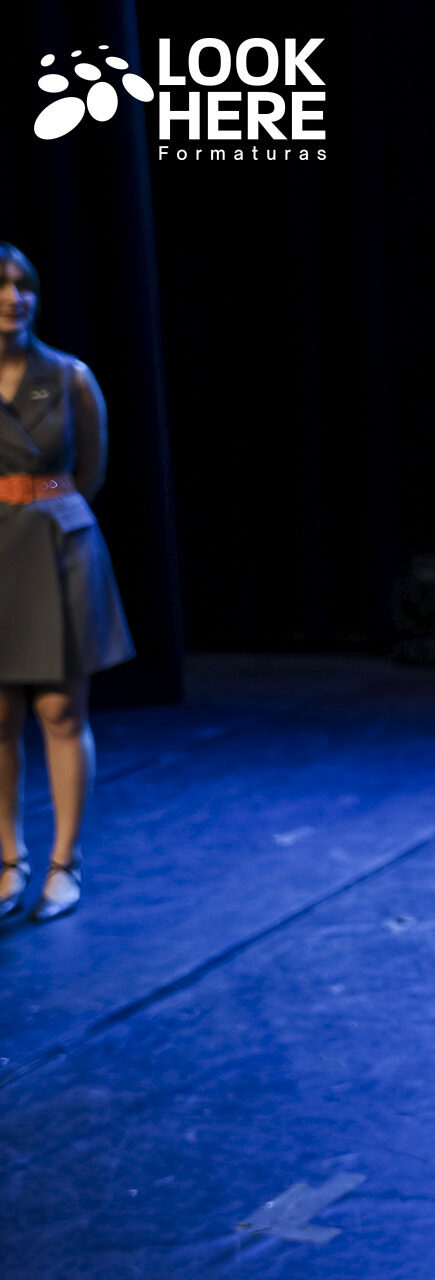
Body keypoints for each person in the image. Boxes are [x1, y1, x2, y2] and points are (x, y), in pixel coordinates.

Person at [0, 242, 134, 924]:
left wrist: (45, 507)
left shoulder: (69, 375)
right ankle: (9, 860)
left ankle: (65, 863)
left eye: (23, 284)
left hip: (57, 546)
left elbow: (93, 470)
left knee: (60, 710)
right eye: (1, 285)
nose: (13, 297)